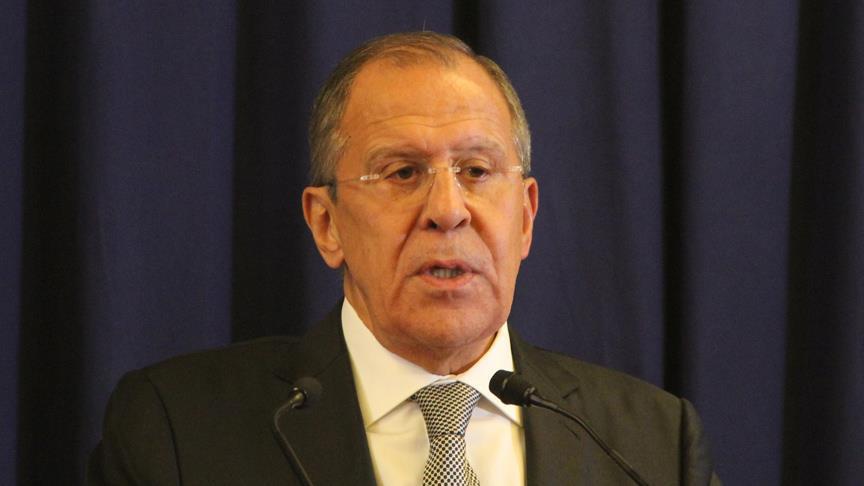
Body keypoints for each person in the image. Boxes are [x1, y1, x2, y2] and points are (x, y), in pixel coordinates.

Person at [87, 31, 721, 485]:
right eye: (402, 172)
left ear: (526, 218)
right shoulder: (177, 431)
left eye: (476, 170)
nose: (447, 210)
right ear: (327, 223)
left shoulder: (654, 445)